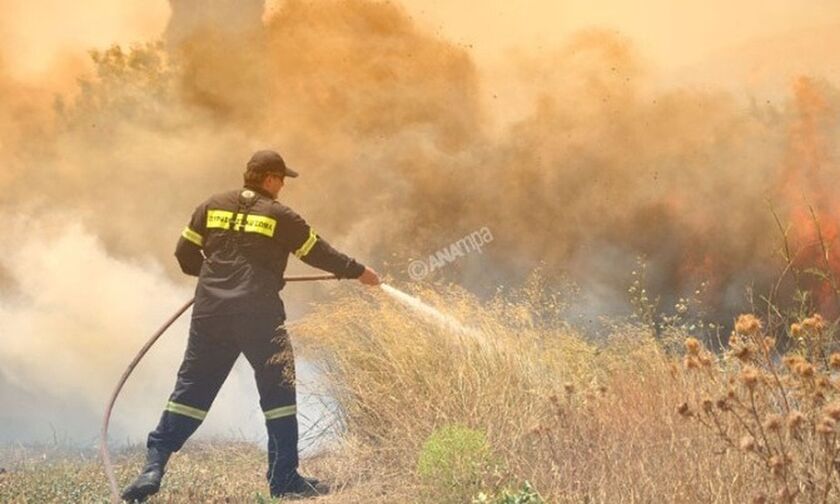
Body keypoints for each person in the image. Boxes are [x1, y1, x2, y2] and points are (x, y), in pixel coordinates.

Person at [122, 150, 381, 502]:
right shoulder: (280, 215)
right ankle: (284, 479)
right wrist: (359, 271)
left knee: (191, 393)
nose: (283, 187)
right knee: (278, 395)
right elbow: (317, 253)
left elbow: (184, 255)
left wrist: (218, 278)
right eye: (282, 180)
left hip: (210, 314)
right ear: (271, 179)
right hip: (259, 316)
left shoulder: (210, 206)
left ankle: (154, 466)